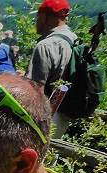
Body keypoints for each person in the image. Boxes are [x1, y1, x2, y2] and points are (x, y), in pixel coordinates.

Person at [26, 0, 77, 138]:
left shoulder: (45, 45)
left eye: (37, 16)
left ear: (43, 16)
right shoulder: (74, 39)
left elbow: (36, 91)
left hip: (46, 116)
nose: (36, 20)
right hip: (65, 114)